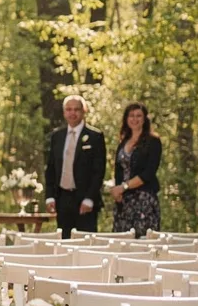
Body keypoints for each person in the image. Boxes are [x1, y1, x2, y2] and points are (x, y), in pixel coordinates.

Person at [44, 94, 106, 239]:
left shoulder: (95, 136)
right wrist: (49, 196)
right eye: (69, 109)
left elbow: (99, 171)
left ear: (84, 111)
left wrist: (89, 198)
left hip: (84, 201)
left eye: (76, 109)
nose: (73, 113)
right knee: (64, 241)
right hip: (63, 198)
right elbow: (51, 168)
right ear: (64, 112)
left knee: (85, 242)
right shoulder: (57, 136)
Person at [109, 101, 163, 237]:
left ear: (145, 119)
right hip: (124, 202)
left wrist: (124, 186)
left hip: (143, 200)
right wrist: (117, 191)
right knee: (122, 241)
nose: (135, 119)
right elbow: (119, 170)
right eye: (131, 116)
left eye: (138, 116)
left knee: (142, 241)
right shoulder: (123, 142)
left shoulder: (153, 142)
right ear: (126, 119)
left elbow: (148, 173)